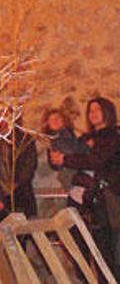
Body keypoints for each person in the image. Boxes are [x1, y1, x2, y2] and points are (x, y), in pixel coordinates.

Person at [51, 97, 120, 274]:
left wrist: (66, 159)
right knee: (82, 241)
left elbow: (96, 160)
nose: (93, 113)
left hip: (107, 201)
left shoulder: (112, 136)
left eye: (97, 109)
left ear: (107, 112)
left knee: (108, 251)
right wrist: (59, 159)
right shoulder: (87, 138)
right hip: (89, 199)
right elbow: (76, 157)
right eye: (90, 110)